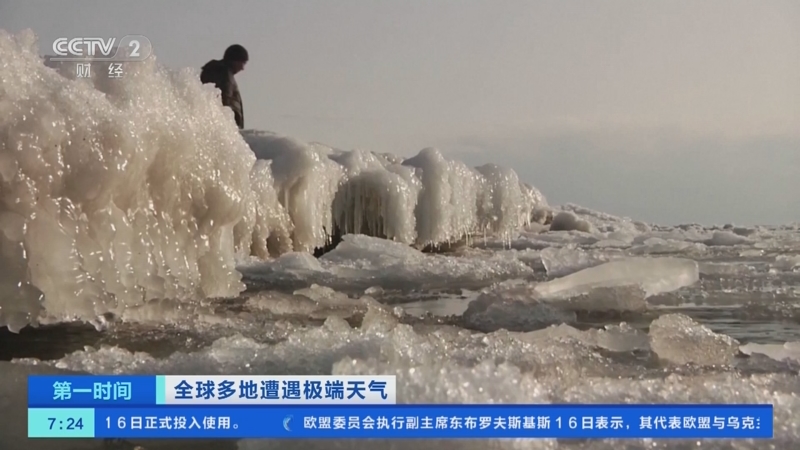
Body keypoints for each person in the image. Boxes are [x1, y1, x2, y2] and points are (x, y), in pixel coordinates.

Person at [201, 44, 248, 129]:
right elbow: (225, 99)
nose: (242, 68)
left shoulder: (211, 71)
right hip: (224, 126)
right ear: (235, 60)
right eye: (243, 63)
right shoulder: (225, 74)